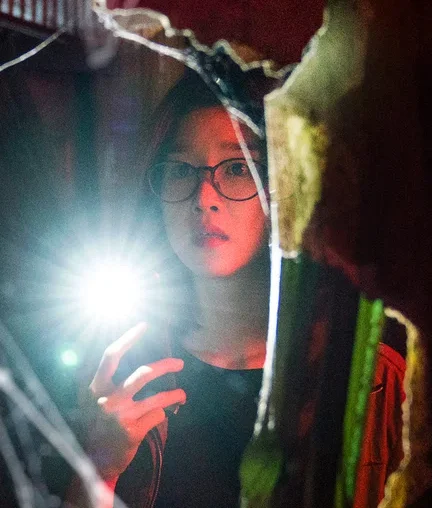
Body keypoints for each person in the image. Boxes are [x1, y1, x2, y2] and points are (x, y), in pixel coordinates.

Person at [69, 68, 405, 508]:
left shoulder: (368, 378)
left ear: (282, 187)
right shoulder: (123, 371)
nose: (204, 197)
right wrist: (99, 470)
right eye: (180, 170)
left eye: (237, 168)